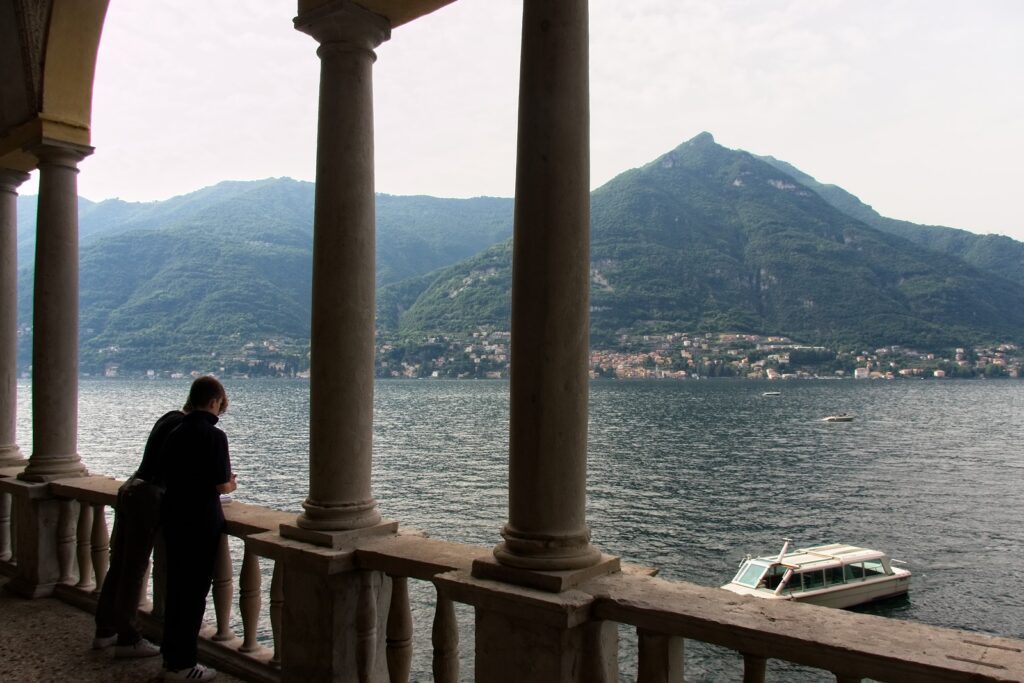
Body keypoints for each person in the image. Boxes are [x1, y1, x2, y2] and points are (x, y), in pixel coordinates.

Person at [160, 376, 236, 682]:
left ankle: (171, 660)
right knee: (193, 596)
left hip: (173, 518)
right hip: (200, 523)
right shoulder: (214, 436)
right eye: (220, 404)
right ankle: (183, 664)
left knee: (176, 592)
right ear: (215, 402)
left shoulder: (174, 432)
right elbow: (221, 484)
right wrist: (231, 484)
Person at [93, 406, 185, 658]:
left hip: (131, 488)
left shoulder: (169, 417)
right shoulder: (183, 427)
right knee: (134, 569)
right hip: (147, 497)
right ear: (212, 403)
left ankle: (105, 630)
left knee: (119, 564)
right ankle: (129, 638)